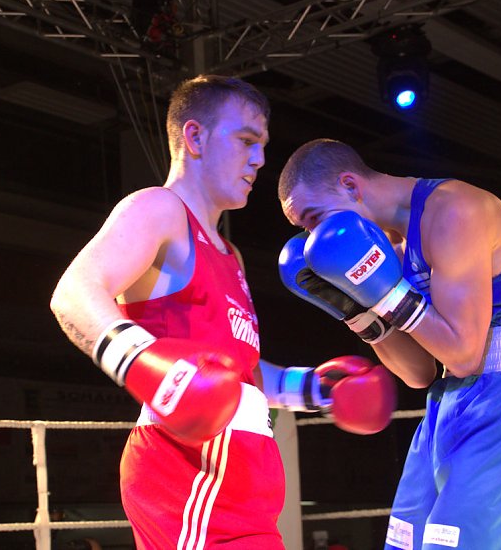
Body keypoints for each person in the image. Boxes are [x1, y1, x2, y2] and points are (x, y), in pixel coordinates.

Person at [50, 77, 395, 549]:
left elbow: (240, 376)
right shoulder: (158, 209)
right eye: (247, 141)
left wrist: (315, 389)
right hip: (190, 474)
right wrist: (145, 367)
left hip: (244, 481)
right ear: (194, 138)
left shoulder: (229, 255)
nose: (259, 160)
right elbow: (73, 293)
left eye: (263, 146)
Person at [277, 138, 501, 550]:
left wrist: (386, 294)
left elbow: (465, 354)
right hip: (447, 396)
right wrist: (354, 308)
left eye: (315, 219)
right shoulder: (387, 246)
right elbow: (418, 372)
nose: (315, 238)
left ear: (350, 185)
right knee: (406, 544)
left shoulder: (453, 210)